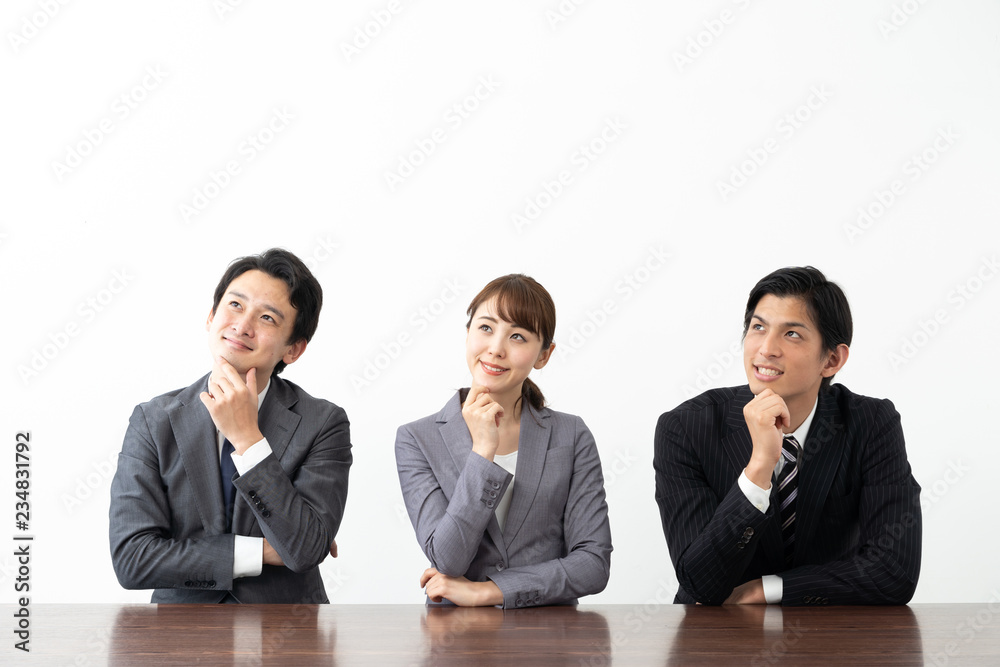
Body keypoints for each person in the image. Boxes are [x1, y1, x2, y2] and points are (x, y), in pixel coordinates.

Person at [654, 266, 921, 606]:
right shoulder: (686, 428)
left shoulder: (871, 424)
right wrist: (760, 467)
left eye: (792, 334)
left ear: (832, 359)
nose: (766, 349)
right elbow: (701, 584)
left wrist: (771, 589)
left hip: (829, 636)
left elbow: (895, 571)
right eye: (758, 327)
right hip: (716, 635)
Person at [109, 248, 351, 603]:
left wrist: (247, 439)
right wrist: (259, 552)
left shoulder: (323, 423)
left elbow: (304, 550)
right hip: (179, 642)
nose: (243, 326)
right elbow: (133, 560)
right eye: (235, 305)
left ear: (293, 349)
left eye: (267, 318)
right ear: (211, 316)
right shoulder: (153, 420)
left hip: (288, 639)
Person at [395, 274, 612, 608]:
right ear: (467, 333)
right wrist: (483, 452)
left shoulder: (571, 436)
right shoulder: (417, 439)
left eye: (517, 336)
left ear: (543, 354)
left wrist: (488, 591)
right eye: (485, 328)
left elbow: (593, 565)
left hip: (551, 640)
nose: (496, 348)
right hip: (456, 642)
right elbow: (448, 559)